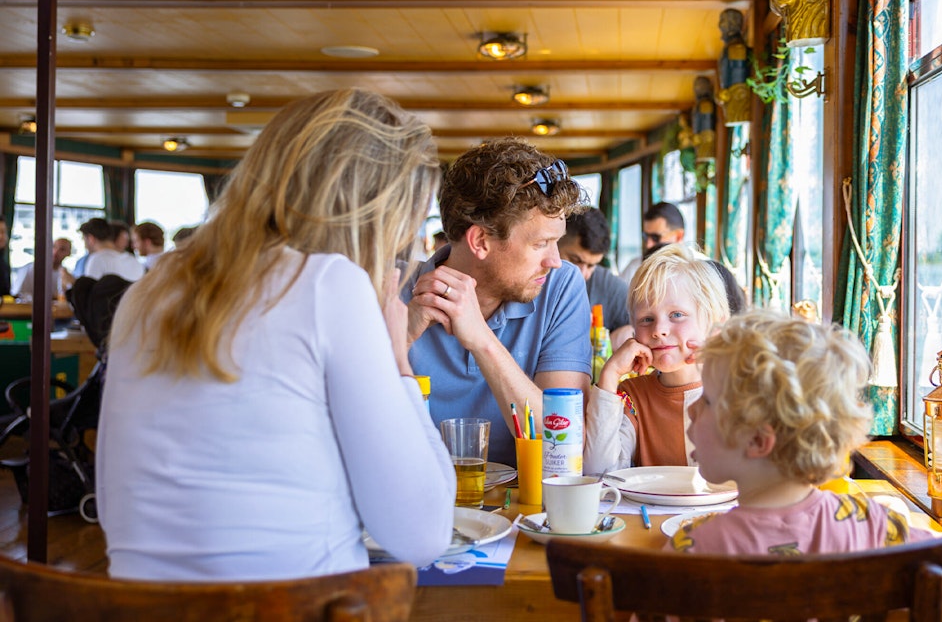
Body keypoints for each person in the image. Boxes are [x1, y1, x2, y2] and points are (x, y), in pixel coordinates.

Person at [97, 88, 455, 581]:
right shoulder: (328, 284)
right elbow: (423, 534)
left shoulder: (148, 291)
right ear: (366, 213)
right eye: (400, 225)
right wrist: (398, 359)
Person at [673, 309, 942, 585]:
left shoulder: (693, 547)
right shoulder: (867, 526)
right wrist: (892, 520)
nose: (691, 410)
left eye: (707, 401)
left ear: (757, 441)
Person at [403, 137, 591, 466]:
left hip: (527, 509)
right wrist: (400, 338)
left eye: (556, 242)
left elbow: (564, 447)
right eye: (541, 243)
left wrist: (481, 340)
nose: (555, 260)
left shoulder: (560, 286)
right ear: (481, 240)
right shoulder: (394, 289)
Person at [584, 244, 729, 475]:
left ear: (716, 323)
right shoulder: (632, 395)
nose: (659, 330)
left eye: (677, 315)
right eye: (646, 319)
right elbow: (598, 474)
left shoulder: (738, 390)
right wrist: (609, 375)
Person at [558, 206, 630, 332]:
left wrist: (627, 332)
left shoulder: (609, 287)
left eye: (591, 265)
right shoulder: (528, 284)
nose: (583, 273)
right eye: (575, 260)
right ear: (555, 242)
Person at [618, 202, 685, 284]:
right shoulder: (635, 267)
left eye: (655, 237)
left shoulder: (698, 270)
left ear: (679, 236)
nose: (648, 245)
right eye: (646, 236)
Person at [79, 218, 144, 282]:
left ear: (91, 239)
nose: (85, 246)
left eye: (83, 240)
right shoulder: (134, 260)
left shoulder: (96, 259)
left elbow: (89, 291)